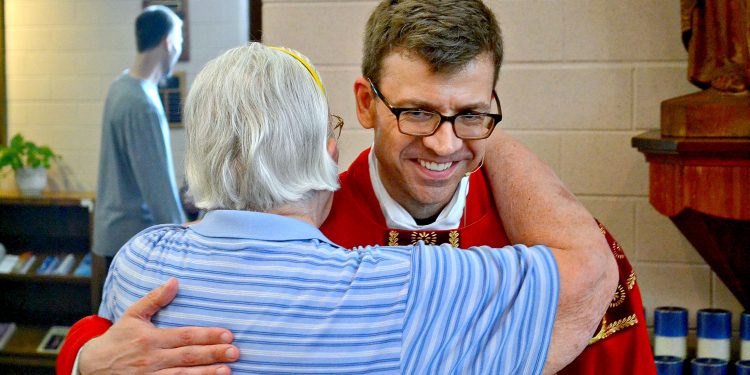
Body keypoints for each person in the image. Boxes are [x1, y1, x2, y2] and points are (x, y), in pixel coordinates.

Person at [58, 1, 656, 374]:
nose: (446, 145)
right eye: (418, 113)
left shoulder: (555, 235)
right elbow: (146, 323)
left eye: (471, 115)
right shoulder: (302, 222)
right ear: (366, 105)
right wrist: (85, 357)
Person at [93, 5, 187, 269]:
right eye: (180, 40)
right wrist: (185, 241)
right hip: (134, 243)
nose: (179, 49)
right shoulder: (141, 103)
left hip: (116, 236)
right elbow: (159, 191)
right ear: (168, 43)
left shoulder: (121, 86)